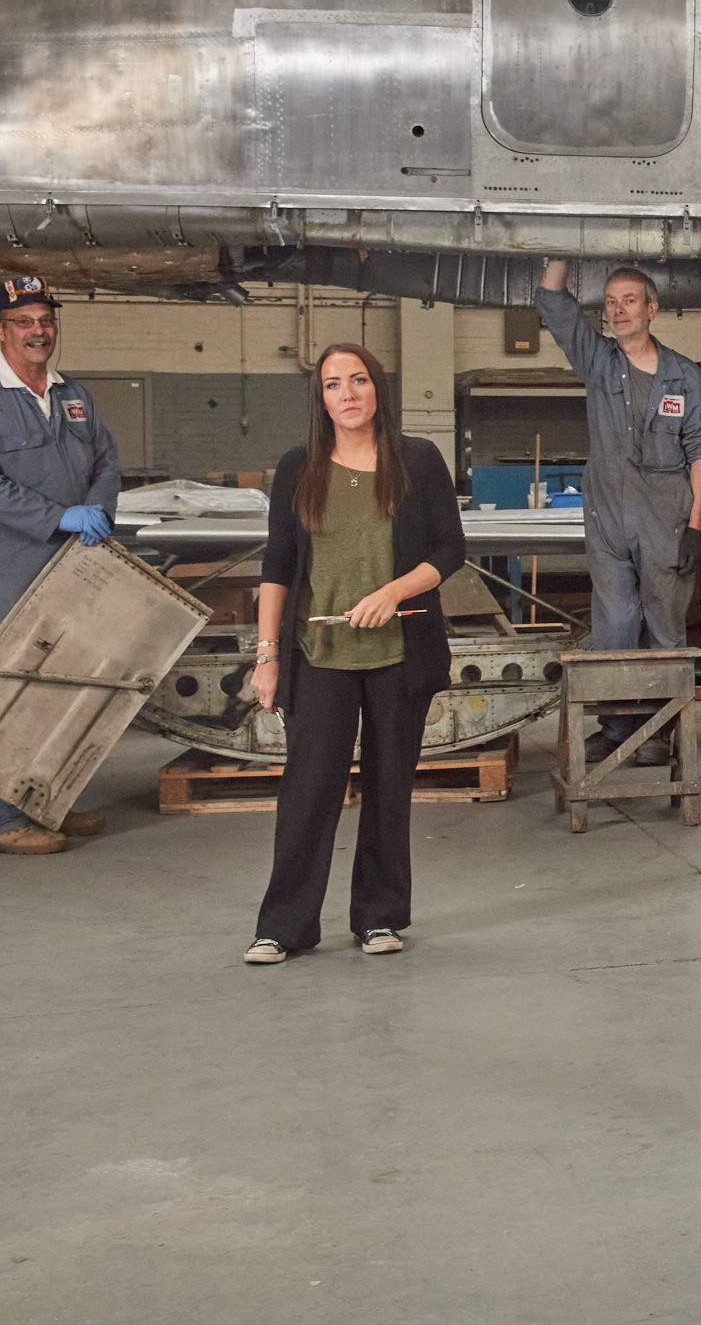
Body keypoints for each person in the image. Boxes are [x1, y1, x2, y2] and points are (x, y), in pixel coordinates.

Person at [242, 345, 466, 964]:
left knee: (390, 789)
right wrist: (267, 655)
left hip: (400, 654)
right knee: (308, 791)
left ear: (378, 390)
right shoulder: (299, 468)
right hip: (320, 653)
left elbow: (450, 549)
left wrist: (394, 593)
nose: (347, 393)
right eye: (334, 384)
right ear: (320, 398)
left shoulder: (417, 460)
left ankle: (379, 917)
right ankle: (284, 925)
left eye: (359, 380)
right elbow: (278, 565)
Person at [0, 276, 121, 855]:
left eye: (45, 320)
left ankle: (46, 803)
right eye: (24, 322)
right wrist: (59, 517)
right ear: (1, 330)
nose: (38, 330)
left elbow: (108, 460)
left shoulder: (74, 394)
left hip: (70, 565)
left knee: (64, 688)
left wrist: (97, 510)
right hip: (5, 568)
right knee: (5, 689)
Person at [534, 261, 701, 765]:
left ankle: (660, 731)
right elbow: (554, 302)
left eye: (629, 300)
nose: (618, 310)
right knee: (613, 622)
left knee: (664, 627)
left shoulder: (685, 377)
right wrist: (564, 242)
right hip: (608, 515)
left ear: (651, 309)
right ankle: (617, 728)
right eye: (611, 302)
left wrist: (695, 528)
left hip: (667, 518)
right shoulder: (596, 360)